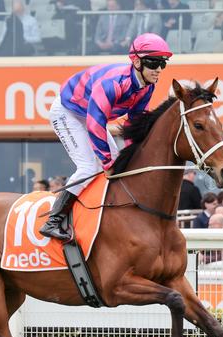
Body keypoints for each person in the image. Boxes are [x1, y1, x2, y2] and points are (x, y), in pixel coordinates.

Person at [39, 32, 172, 240]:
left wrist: (134, 153)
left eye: (163, 64)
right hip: (68, 112)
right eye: (153, 63)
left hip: (88, 115)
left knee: (120, 162)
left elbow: (133, 123)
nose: (158, 70)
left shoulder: (147, 87)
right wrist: (107, 162)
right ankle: (53, 220)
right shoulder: (114, 83)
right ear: (137, 62)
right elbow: (95, 123)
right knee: (89, 167)